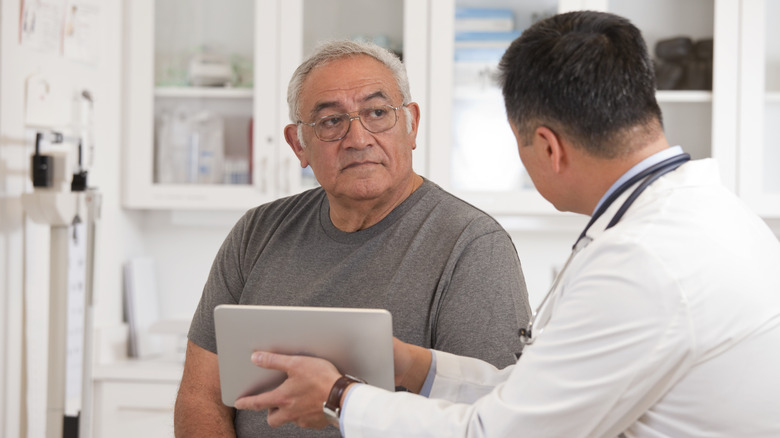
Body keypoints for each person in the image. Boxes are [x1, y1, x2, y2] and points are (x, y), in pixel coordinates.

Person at [231, 10, 780, 437]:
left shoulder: (645, 262)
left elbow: (502, 431)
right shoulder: (706, 217)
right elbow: (533, 397)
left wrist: (338, 398)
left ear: (547, 147)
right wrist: (416, 367)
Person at [173, 40, 531, 437]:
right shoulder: (256, 233)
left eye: (378, 113)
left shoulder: (473, 247)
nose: (358, 139)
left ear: (411, 125)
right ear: (298, 145)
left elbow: (489, 420)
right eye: (330, 122)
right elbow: (200, 395)